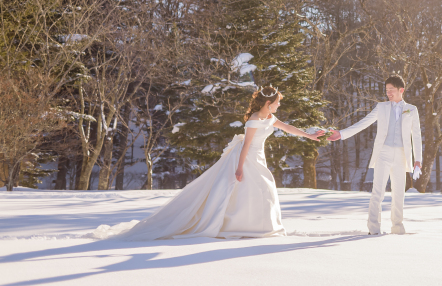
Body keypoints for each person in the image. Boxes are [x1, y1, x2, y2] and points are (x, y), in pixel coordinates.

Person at [89, 86, 325, 240]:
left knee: (262, 189)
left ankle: (258, 227)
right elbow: (245, 146)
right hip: (247, 159)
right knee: (261, 188)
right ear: (268, 103)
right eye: (277, 103)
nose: (279, 106)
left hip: (258, 158)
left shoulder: (269, 117)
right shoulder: (254, 121)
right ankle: (250, 227)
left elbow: (288, 128)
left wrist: (309, 134)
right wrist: (239, 168)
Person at [328, 75, 422, 235]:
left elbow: (417, 136)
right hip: (383, 153)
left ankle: (398, 228)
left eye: (391, 90)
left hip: (401, 155)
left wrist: (418, 160)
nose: (388, 93)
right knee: (377, 192)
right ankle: (374, 229)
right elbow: (363, 123)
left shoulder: (412, 109)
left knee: (399, 193)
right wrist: (341, 134)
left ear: (401, 90)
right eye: (386, 90)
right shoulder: (381, 107)